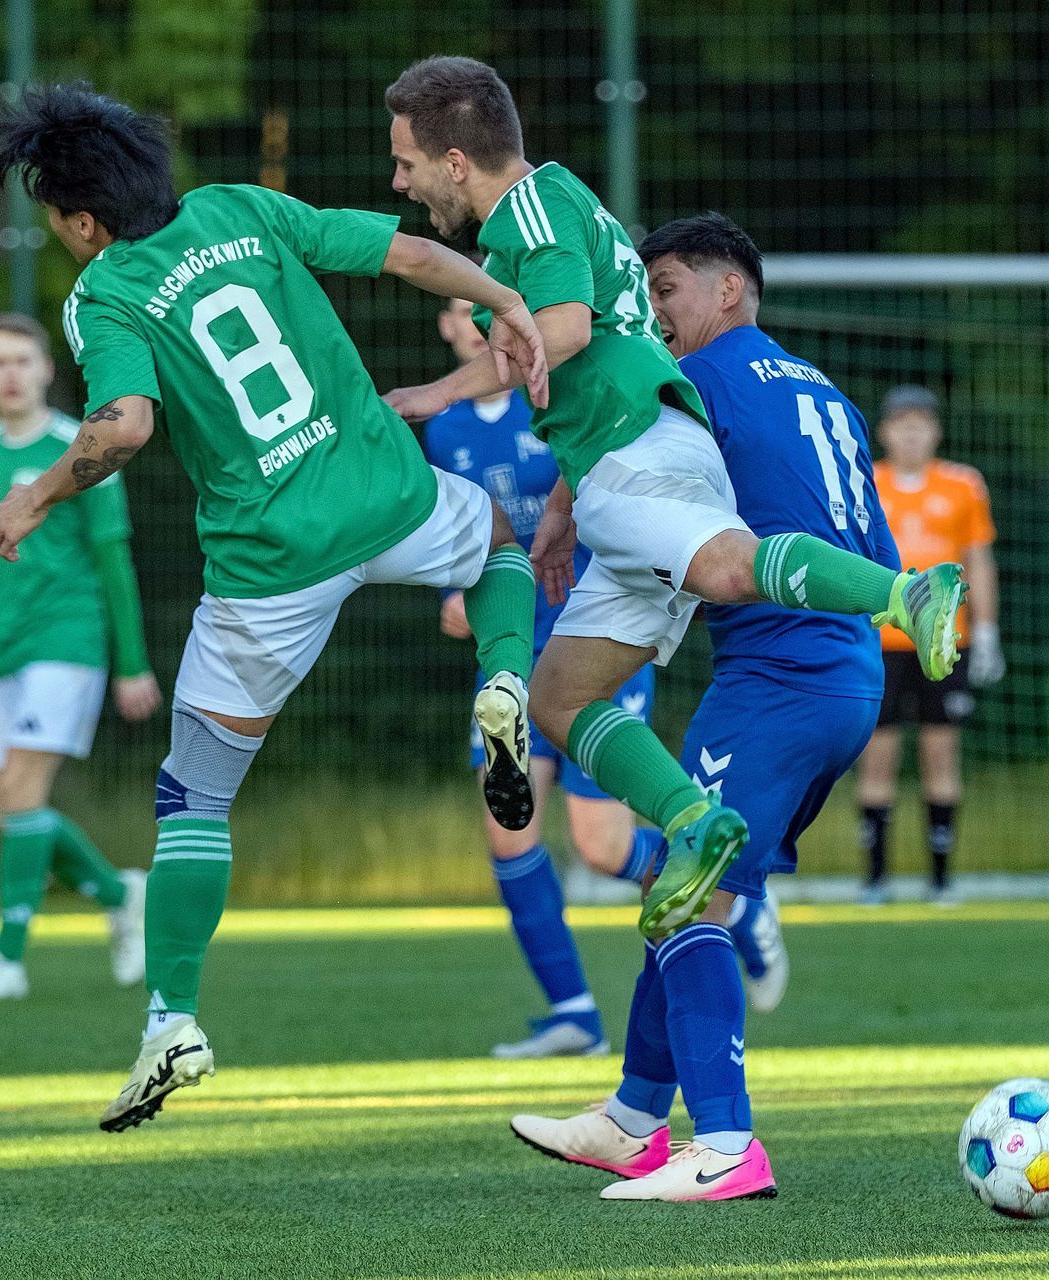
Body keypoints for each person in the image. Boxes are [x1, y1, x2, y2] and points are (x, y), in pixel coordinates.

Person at [0, 81, 550, 1132]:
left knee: (195, 796)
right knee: (500, 544)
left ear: (82, 221)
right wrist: (507, 304)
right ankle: (506, 677)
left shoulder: (105, 292)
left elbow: (126, 424)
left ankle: (172, 1020)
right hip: (389, 495)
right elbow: (409, 255)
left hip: (270, 563)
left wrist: (39, 492)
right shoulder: (239, 205)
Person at [381, 57, 967, 962]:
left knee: (727, 567)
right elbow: (592, 351)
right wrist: (561, 498)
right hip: (621, 459)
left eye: (407, 162)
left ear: (456, 161)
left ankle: (906, 595)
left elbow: (567, 330)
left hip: (638, 453)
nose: (398, 181)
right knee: (557, 698)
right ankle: (693, 821)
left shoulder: (531, 208)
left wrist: (444, 388)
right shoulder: (534, 222)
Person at [508, 212, 899, 1201]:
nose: (653, 314)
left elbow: (615, 440)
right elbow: (872, 549)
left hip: (777, 678)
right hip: (848, 673)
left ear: (730, 289)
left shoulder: (702, 379)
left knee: (688, 888)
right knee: (682, 887)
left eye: (667, 288)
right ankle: (633, 1118)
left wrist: (560, 512)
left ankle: (725, 1144)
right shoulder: (822, 389)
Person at [423, 294, 660, 1059]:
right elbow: (447, 532)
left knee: (601, 846)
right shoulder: (443, 428)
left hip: (595, 639)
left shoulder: (559, 398)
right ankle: (575, 1014)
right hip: (510, 655)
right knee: (508, 833)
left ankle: (735, 895)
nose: (479, 324)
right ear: (448, 326)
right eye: (464, 310)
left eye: (490, 309)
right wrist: (454, 593)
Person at [0, 312, 159, 1000]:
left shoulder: (82, 449)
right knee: (10, 812)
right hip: (3, 650)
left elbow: (114, 560)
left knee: (20, 794)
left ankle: (7, 960)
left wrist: (132, 663)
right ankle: (120, 893)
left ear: (46, 369)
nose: (10, 374)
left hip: (67, 642)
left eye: (22, 360)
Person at [855, 385, 1004, 907]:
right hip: (880, 640)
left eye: (921, 424)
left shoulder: (963, 484)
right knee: (877, 756)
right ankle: (875, 880)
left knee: (941, 754)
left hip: (943, 642)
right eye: (902, 425)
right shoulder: (866, 482)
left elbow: (978, 559)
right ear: (884, 432)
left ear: (936, 432)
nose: (912, 435)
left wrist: (987, 631)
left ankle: (940, 880)